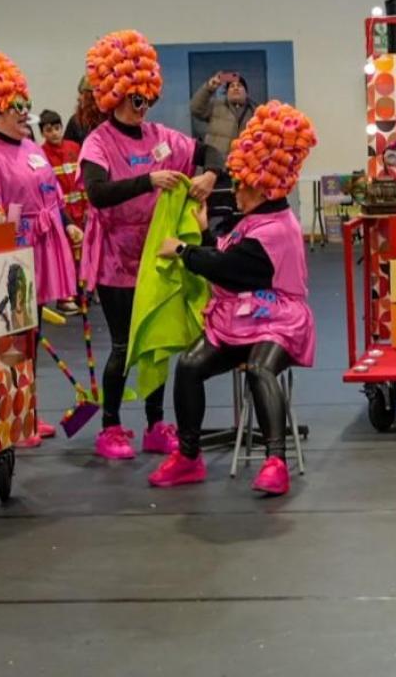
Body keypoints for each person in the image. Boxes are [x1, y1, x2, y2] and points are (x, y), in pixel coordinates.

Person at [150, 101, 319, 496]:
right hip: (237, 318)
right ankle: (189, 457)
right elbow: (227, 255)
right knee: (189, 366)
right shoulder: (255, 220)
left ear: (262, 187)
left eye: (241, 184)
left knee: (261, 368)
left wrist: (183, 251)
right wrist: (207, 234)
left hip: (279, 319)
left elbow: (228, 267)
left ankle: (275, 461)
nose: (235, 190)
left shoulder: (277, 230)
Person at [78, 30, 215, 461]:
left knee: (156, 341)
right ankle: (111, 426)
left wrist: (209, 176)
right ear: (115, 93)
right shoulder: (98, 142)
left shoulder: (161, 136)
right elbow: (97, 194)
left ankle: (157, 424)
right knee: (124, 345)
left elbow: (210, 152)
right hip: (116, 259)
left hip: (156, 255)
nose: (143, 109)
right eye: (136, 101)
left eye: (147, 101)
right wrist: (148, 180)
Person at [0, 47, 80, 316]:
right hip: (12, 251)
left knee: (34, 326)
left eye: (27, 104)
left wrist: (67, 225)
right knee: (14, 327)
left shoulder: (31, 147)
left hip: (45, 244)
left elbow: (51, 192)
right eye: (17, 106)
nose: (25, 112)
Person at [39, 109, 87, 234]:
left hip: (83, 211)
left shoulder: (75, 147)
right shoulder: (41, 154)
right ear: (42, 133)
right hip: (62, 214)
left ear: (62, 127)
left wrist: (88, 206)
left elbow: (84, 179)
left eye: (57, 128)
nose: (54, 133)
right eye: (49, 130)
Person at [190, 71, 256, 159]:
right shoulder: (216, 106)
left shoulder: (256, 112)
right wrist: (209, 88)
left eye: (239, 86)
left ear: (246, 92)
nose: (236, 88)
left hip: (245, 166)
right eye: (232, 86)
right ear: (227, 92)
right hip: (217, 165)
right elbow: (195, 108)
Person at [63, 77, 102, 146]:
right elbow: (67, 150)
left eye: (81, 93)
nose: (78, 98)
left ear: (91, 96)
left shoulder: (108, 120)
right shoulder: (75, 121)